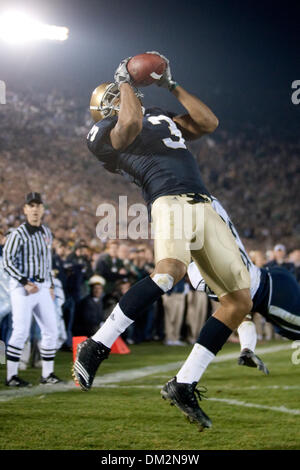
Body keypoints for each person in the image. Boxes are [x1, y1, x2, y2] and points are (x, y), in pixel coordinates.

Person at [73, 52, 252, 431]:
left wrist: (170, 84)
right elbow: (131, 122)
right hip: (167, 198)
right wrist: (126, 81)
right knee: (168, 273)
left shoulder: (159, 116)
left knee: (238, 301)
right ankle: (97, 345)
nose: (121, 97)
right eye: (115, 96)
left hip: (203, 202)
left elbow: (208, 122)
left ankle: (184, 383)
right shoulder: (104, 133)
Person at [187, 196, 300, 376]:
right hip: (275, 277)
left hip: (271, 297)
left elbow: (241, 315)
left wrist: (247, 347)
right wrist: (247, 348)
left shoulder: (198, 275)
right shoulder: (212, 209)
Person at [2, 192, 62, 387]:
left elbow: (47, 262)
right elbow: (7, 262)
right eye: (32, 205)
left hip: (43, 286)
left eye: (38, 205)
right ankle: (11, 376)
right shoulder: (17, 234)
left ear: (43, 209)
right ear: (25, 209)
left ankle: (47, 374)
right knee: (20, 330)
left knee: (51, 330)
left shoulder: (46, 232)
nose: (35, 209)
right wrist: (23, 281)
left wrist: (51, 284)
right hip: (23, 287)